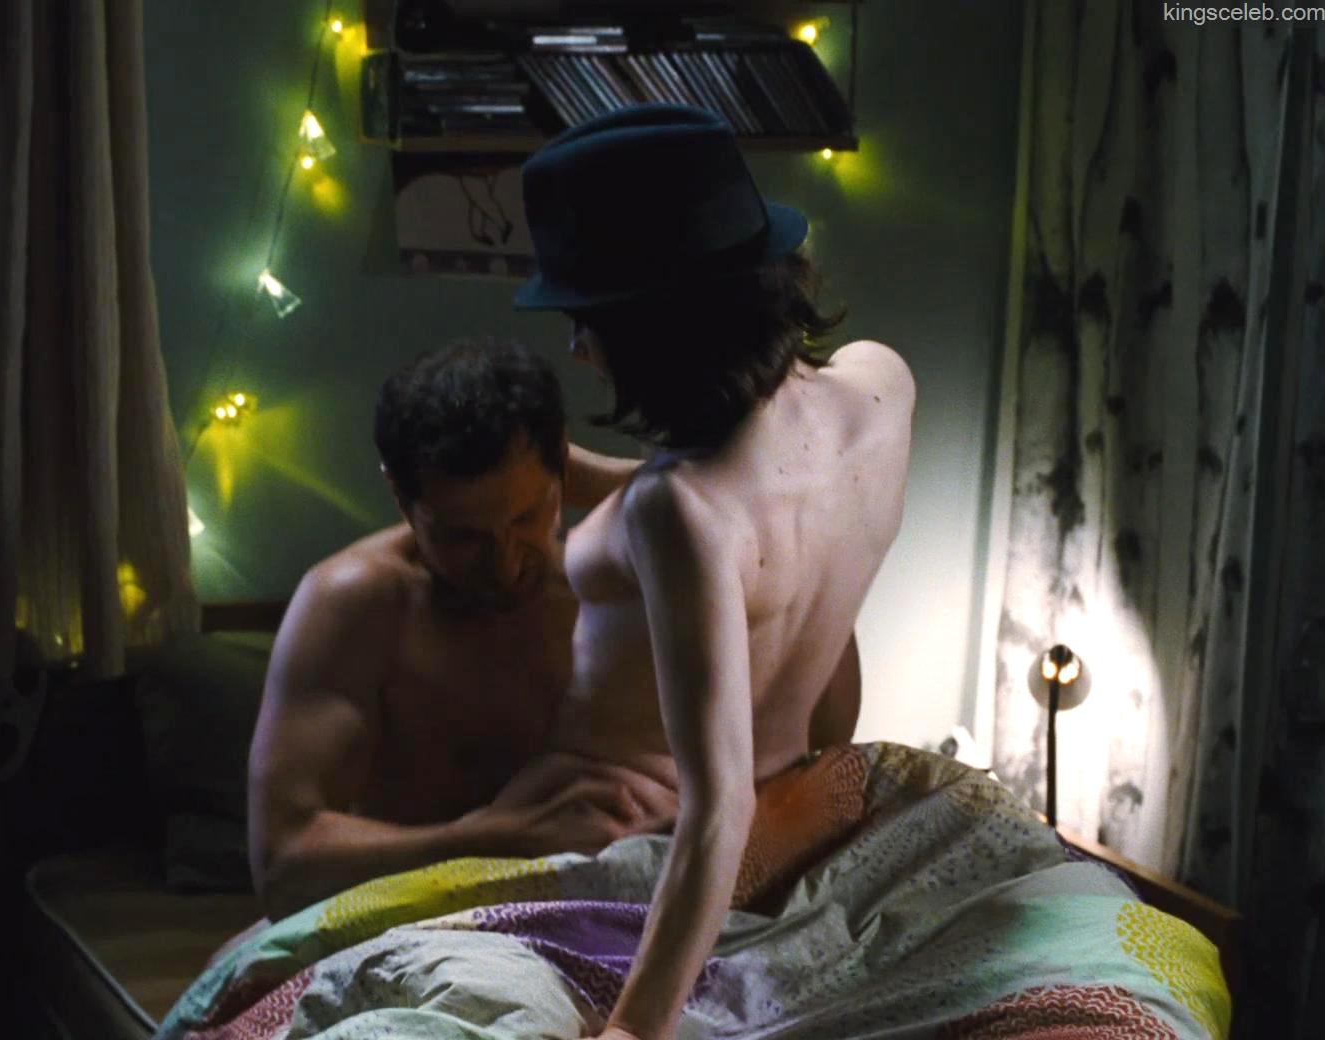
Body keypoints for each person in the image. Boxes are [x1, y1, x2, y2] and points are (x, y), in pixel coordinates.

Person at [511, 104, 915, 1040]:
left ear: (655, 326)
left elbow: (718, 809)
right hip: (801, 816)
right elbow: (768, 505)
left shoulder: (678, 511)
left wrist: (632, 1031)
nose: (576, 348)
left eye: (585, 319)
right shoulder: (882, 383)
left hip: (659, 854)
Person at [244, 339, 676, 921]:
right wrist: (497, 838)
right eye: (462, 537)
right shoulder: (358, 604)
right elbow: (282, 865)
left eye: (527, 516)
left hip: (597, 907)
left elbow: (732, 503)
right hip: (417, 919)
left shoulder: (610, 577)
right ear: (401, 497)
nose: (505, 564)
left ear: (563, 473)